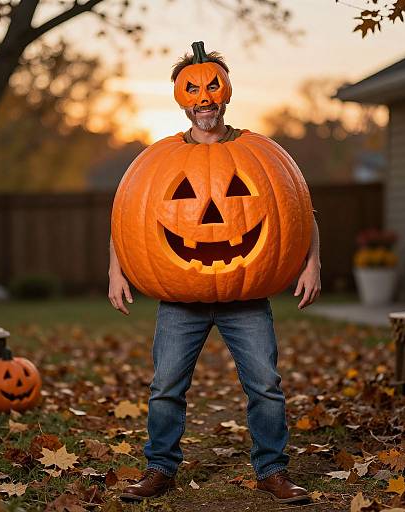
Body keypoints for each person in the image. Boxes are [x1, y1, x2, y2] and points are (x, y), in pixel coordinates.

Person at [108, 45, 321, 505]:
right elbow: (128, 217)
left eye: (211, 88)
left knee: (265, 384)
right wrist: (116, 270)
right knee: (166, 385)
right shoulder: (157, 159)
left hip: (246, 297)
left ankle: (272, 471)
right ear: (181, 99)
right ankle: (159, 468)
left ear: (225, 93)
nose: (203, 99)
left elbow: (298, 213)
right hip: (181, 298)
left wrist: (312, 262)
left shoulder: (261, 153)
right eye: (193, 90)